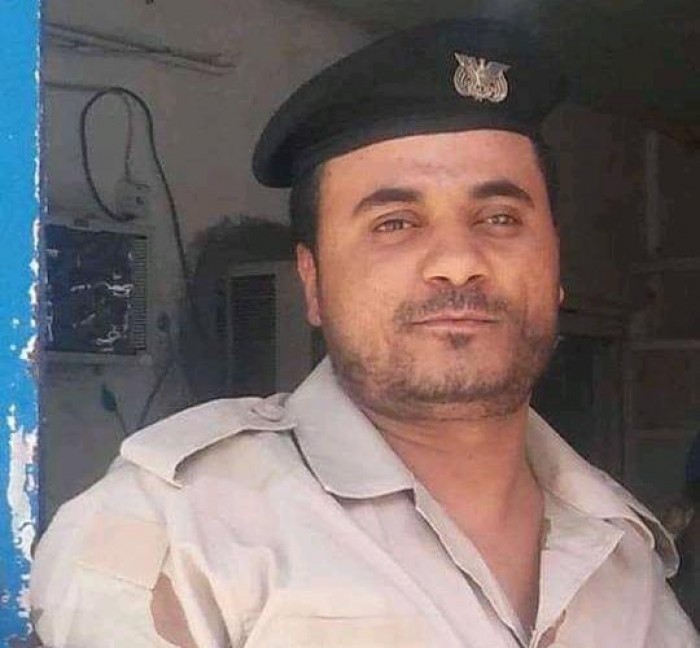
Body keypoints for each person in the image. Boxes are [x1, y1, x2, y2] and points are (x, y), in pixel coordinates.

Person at [31, 18, 698, 647]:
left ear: (555, 266)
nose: (458, 261)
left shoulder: (622, 551)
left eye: (499, 218)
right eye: (395, 223)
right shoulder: (176, 530)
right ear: (313, 281)